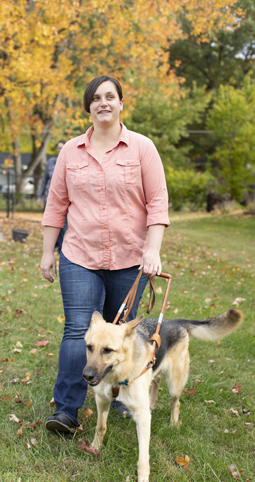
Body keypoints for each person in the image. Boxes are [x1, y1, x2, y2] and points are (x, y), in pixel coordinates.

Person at [40, 75, 170, 433]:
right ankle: (66, 410)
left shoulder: (143, 148)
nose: (103, 103)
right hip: (79, 255)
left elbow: (157, 202)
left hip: (131, 259)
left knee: (121, 338)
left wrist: (152, 249)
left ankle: (124, 396)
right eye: (96, 98)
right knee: (78, 330)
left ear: (121, 103)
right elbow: (56, 205)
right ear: (89, 106)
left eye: (110, 96)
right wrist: (47, 252)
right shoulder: (70, 151)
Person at [37, 140, 67, 254]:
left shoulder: (70, 161)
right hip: (50, 200)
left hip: (64, 201)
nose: (60, 150)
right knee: (51, 223)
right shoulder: (51, 162)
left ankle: (61, 248)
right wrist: (39, 196)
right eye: (58, 148)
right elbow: (44, 181)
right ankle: (51, 247)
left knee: (64, 225)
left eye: (62, 147)